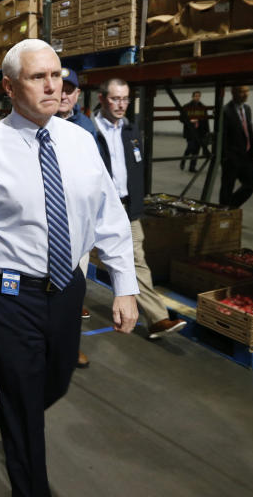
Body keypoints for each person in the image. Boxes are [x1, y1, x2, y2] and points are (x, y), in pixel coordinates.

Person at [0, 39, 139, 496]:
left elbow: (108, 215)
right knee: (27, 407)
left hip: (68, 287)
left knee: (58, 377)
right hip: (10, 294)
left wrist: (125, 285)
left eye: (57, 75)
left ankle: (11, 410)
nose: (53, 86)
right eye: (38, 77)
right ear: (10, 87)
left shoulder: (81, 141)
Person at [94, 78, 187, 340]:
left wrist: (137, 204)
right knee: (73, 264)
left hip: (126, 209)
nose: (121, 104)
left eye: (125, 99)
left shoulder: (131, 130)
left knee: (137, 261)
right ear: (102, 99)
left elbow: (136, 170)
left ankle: (157, 319)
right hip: (92, 210)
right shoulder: (89, 131)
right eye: (115, 99)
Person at [55, 67, 97, 369]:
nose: (64, 94)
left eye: (70, 89)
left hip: (76, 227)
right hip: (42, 225)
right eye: (61, 87)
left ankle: (70, 348)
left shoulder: (87, 130)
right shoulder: (34, 124)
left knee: (72, 292)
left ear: (77, 95)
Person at [219, 85, 253, 207]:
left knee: (252, 183)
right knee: (227, 187)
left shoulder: (247, 109)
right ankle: (223, 214)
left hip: (247, 156)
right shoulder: (225, 111)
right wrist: (226, 156)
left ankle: (230, 207)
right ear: (234, 93)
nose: (246, 94)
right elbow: (222, 137)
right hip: (231, 157)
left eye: (247, 91)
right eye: (242, 91)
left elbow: (248, 131)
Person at [180, 91, 210, 172]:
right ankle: (183, 160)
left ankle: (192, 167)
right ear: (192, 97)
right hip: (190, 131)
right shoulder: (186, 106)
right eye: (196, 96)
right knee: (190, 147)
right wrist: (190, 120)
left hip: (200, 131)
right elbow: (181, 118)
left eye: (199, 96)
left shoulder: (203, 107)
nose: (197, 97)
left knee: (196, 149)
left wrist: (207, 132)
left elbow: (206, 120)